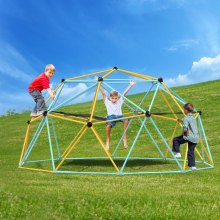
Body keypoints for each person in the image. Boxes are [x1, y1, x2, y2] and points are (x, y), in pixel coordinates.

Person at [100, 80, 136, 151]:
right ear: (110, 98)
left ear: (117, 97)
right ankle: (107, 142)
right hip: (111, 116)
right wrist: (99, 84)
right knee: (108, 126)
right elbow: (103, 93)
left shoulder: (119, 101)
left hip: (119, 116)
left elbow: (124, 93)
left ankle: (125, 138)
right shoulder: (107, 102)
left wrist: (130, 85)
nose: (114, 100)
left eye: (116, 98)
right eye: (112, 98)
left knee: (126, 120)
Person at [172, 103, 199, 170]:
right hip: (195, 138)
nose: (183, 110)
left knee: (175, 140)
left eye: (184, 109)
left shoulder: (186, 118)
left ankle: (178, 153)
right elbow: (187, 121)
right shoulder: (192, 117)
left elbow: (185, 127)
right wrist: (182, 120)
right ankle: (193, 167)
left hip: (189, 136)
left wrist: (183, 134)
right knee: (190, 151)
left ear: (186, 110)